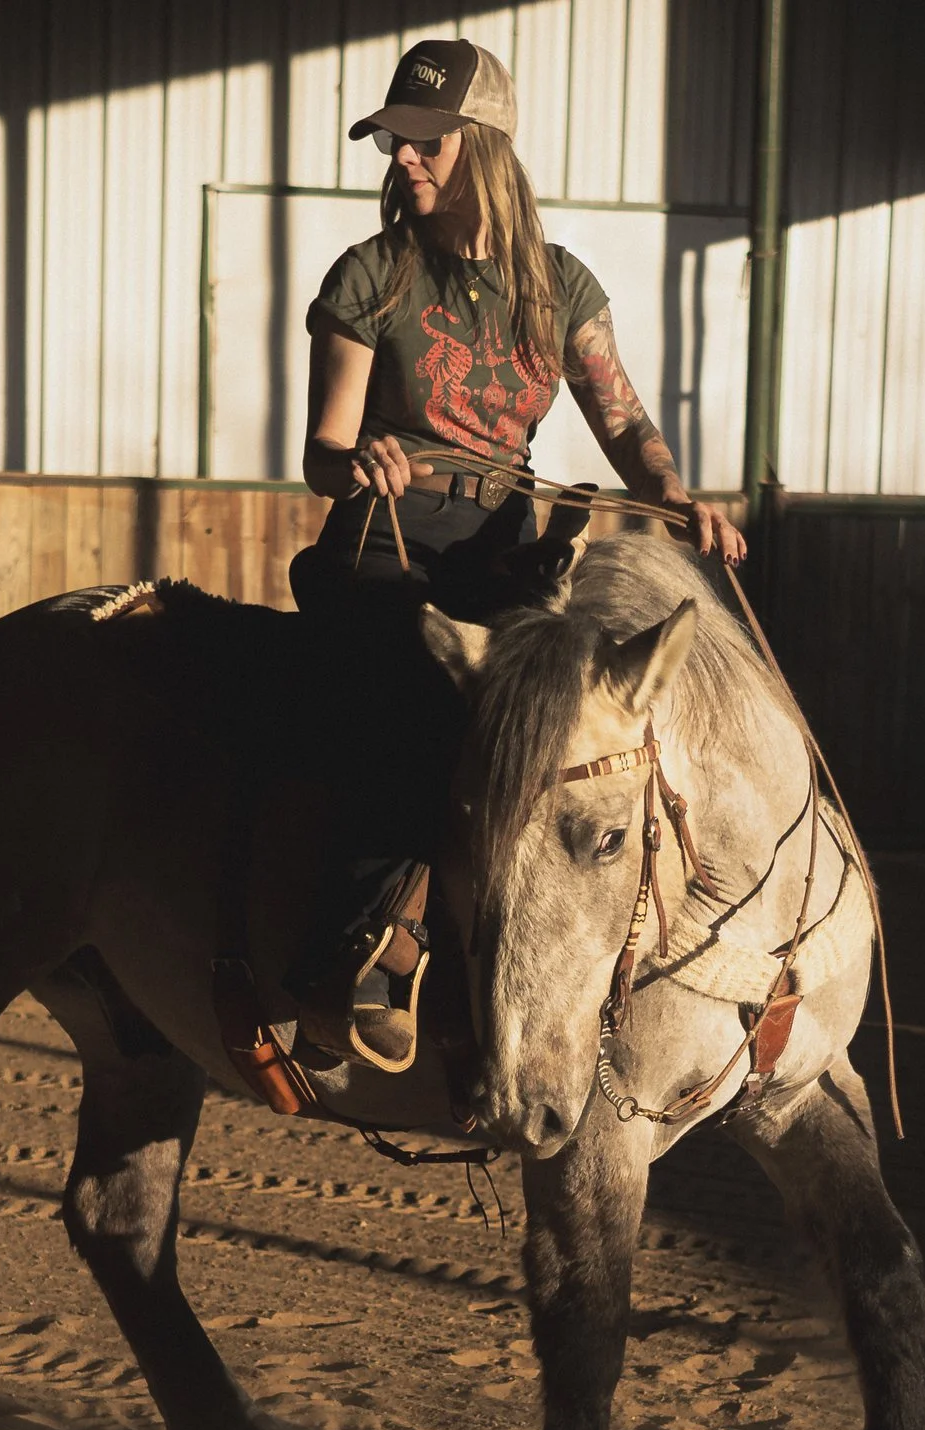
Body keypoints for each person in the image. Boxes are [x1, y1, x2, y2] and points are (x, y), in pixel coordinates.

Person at [286, 36, 744, 1072]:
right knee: (413, 719)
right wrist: (355, 460)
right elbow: (322, 448)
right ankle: (354, 956)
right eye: (392, 143)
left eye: (423, 142)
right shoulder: (369, 276)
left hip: (507, 552)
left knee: (582, 745)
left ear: (483, 146)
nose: (401, 160)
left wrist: (672, 494)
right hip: (389, 542)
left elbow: (623, 424)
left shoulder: (560, 287)